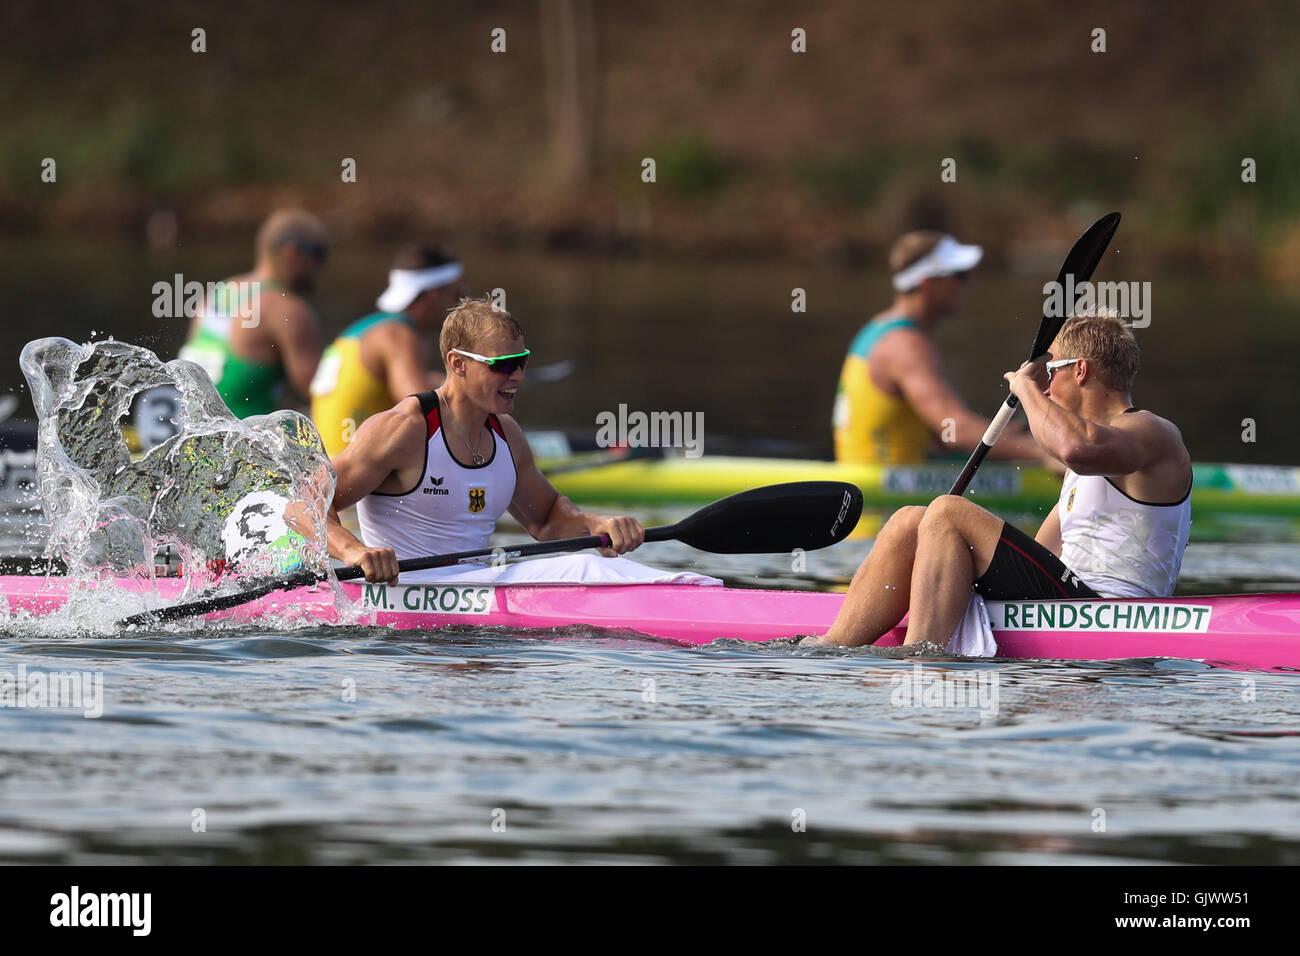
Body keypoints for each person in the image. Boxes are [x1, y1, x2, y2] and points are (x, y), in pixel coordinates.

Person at [813, 313, 1192, 647]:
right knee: (911, 521)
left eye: (1050, 372)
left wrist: (1024, 388)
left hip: (1111, 611)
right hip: (1066, 598)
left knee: (948, 512)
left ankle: (921, 659)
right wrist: (946, 563)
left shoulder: (1150, 431)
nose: (1045, 386)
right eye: (1040, 380)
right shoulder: (1088, 458)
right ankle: (828, 648)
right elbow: (1039, 556)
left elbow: (1074, 447)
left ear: (1080, 371)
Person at [325, 298, 672, 586]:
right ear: (457, 364)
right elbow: (304, 503)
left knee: (593, 568)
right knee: (587, 571)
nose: (518, 376)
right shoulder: (404, 429)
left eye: (521, 362)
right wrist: (354, 552)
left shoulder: (507, 434)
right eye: (502, 366)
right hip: (402, 590)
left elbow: (547, 520)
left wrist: (595, 523)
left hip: (474, 586)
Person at [833, 231, 1045, 464]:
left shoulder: (879, 327)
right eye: (959, 275)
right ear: (927, 283)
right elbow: (954, 430)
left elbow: (941, 434)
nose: (968, 283)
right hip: (885, 492)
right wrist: (1043, 452)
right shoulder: (905, 345)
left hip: (868, 472)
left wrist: (1009, 436)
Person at [311, 245, 462, 456]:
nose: (459, 306)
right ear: (435, 295)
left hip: (326, 462)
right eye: (457, 295)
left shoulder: (361, 330)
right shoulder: (397, 335)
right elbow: (422, 407)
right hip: (353, 471)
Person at [179, 209, 328, 416]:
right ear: (292, 253)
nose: (322, 267)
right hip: (244, 442)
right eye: (320, 254)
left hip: (187, 429)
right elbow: (325, 394)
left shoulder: (221, 290)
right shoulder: (288, 310)